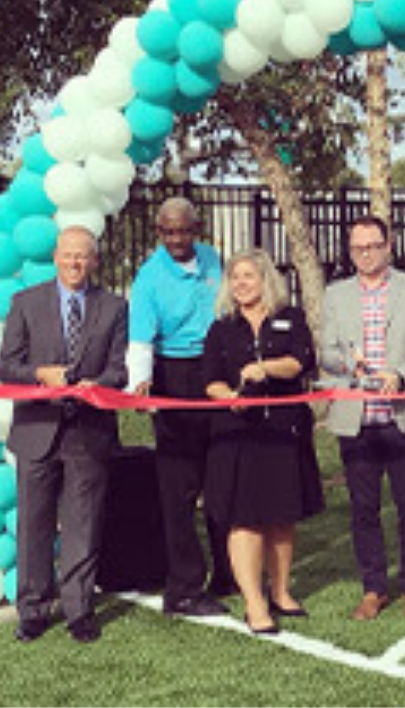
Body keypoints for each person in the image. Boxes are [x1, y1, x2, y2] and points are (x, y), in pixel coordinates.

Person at [0, 226, 128, 643]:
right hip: (36, 430)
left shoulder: (114, 306)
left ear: (94, 261)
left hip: (88, 433)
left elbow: (119, 371)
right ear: (55, 257)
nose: (74, 262)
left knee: (82, 526)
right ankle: (33, 611)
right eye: (68, 254)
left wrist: (97, 385)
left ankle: (78, 611)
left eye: (82, 255)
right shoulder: (25, 303)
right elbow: (5, 367)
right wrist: (41, 375)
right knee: (33, 525)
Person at [319, 215, 405, 620]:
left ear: (389, 246)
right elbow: (326, 352)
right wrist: (346, 363)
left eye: (373, 246)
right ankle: (373, 587)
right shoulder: (336, 294)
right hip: (356, 418)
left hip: (402, 415)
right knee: (363, 509)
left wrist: (402, 375)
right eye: (358, 248)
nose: (366, 254)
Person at [202, 249, 324, 635]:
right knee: (245, 520)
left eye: (248, 276)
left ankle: (281, 592)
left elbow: (301, 361)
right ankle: (254, 603)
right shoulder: (221, 329)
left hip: (283, 433)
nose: (241, 283)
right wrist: (230, 398)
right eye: (235, 277)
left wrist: (264, 368)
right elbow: (210, 380)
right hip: (237, 435)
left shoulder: (291, 318)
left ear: (266, 279)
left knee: (281, 516)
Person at [127, 197, 232, 617]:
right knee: (181, 488)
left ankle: (228, 573)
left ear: (196, 229)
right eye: (168, 232)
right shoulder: (148, 278)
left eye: (184, 231)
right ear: (159, 232)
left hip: (217, 370)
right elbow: (140, 339)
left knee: (221, 477)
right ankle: (183, 589)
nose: (176, 239)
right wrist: (140, 383)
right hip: (175, 374)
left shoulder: (212, 259)